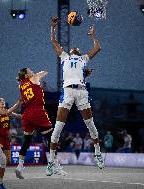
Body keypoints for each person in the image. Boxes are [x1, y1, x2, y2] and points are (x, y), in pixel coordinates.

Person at [46, 16, 104, 176]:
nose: (74, 48)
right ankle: (51, 161)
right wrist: (53, 27)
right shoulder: (64, 56)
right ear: (70, 51)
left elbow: (97, 47)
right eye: (73, 48)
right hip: (68, 91)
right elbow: (54, 42)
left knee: (90, 125)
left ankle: (98, 154)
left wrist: (93, 35)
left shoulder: (84, 58)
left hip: (81, 91)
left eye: (76, 48)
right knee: (57, 128)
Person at [14, 67, 66, 179]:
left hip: (26, 114)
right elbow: (45, 72)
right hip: (37, 111)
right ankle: (55, 166)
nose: (32, 71)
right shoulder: (33, 78)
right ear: (27, 75)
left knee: (27, 140)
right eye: (30, 70)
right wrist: (43, 71)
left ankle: (19, 166)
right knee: (51, 139)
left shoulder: (21, 84)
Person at [0, 97, 22, 184]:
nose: (2, 101)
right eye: (0, 100)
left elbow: (18, 116)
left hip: (6, 138)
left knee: (8, 160)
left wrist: (27, 118)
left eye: (3, 100)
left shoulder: (7, 112)